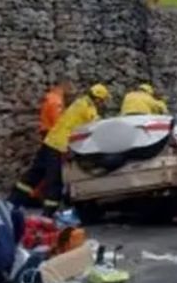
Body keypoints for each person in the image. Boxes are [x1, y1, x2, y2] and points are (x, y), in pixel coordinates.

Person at [12, 84, 109, 214]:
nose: (103, 103)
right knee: (55, 181)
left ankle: (12, 202)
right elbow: (96, 126)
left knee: (35, 173)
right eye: (103, 100)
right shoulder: (87, 108)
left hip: (51, 141)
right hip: (59, 145)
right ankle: (48, 214)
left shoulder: (80, 102)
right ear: (98, 99)